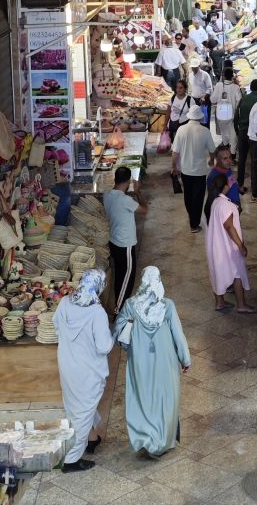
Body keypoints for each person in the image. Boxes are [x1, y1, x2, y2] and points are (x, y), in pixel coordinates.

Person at [113, 266, 191, 460]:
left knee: (143, 396)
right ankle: (163, 440)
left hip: (140, 359)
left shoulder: (131, 305)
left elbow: (118, 331)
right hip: (165, 359)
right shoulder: (167, 306)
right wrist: (185, 358)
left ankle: (146, 438)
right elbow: (178, 335)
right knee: (165, 397)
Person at [54, 269, 114, 472]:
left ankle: (92, 439)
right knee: (83, 410)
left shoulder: (64, 303)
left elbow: (56, 326)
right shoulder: (97, 313)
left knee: (77, 406)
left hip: (67, 364)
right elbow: (104, 347)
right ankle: (71, 460)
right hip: (88, 369)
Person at [205, 170, 256, 313]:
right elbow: (229, 226)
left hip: (216, 245)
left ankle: (219, 303)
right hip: (227, 247)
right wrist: (240, 245)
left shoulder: (214, 202)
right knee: (237, 273)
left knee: (217, 272)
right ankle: (241, 305)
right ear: (225, 187)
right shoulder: (226, 205)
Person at [103, 165, 144, 310]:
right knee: (127, 280)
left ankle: (118, 305)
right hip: (125, 244)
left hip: (114, 241)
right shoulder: (126, 200)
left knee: (120, 276)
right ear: (128, 182)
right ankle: (119, 311)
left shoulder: (107, 195)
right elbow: (144, 210)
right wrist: (138, 192)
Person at [171, 105, 213, 231]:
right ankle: (194, 224)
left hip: (185, 170)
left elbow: (175, 152)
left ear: (189, 117)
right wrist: (211, 160)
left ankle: (192, 217)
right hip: (200, 171)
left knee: (188, 196)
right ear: (200, 117)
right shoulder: (205, 131)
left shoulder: (181, 130)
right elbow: (212, 150)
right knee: (198, 198)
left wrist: (174, 166)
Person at [234, 78, 257, 189]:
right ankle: (254, 188)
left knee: (242, 159)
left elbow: (236, 116)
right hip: (253, 135)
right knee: (255, 160)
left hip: (242, 132)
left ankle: (240, 183)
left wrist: (238, 131)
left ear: (250, 87)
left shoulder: (243, 98)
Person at [211, 64, 242, 152]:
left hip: (221, 115)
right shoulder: (236, 87)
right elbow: (239, 100)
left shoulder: (218, 85)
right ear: (232, 76)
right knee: (232, 135)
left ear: (223, 76)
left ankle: (226, 148)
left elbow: (213, 99)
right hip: (231, 115)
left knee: (224, 134)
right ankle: (232, 153)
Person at [167, 77, 192, 141]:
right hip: (173, 126)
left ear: (185, 89)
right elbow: (168, 111)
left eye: (181, 88)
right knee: (174, 143)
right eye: (177, 87)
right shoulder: (173, 98)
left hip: (184, 127)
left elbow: (193, 115)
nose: (178, 90)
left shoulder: (189, 100)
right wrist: (165, 125)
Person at [189, 56, 213, 125]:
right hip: (194, 100)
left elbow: (209, 88)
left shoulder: (205, 75)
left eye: (195, 67)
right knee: (195, 121)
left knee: (205, 120)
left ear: (199, 66)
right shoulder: (190, 75)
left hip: (204, 100)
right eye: (192, 67)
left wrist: (204, 97)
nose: (194, 69)